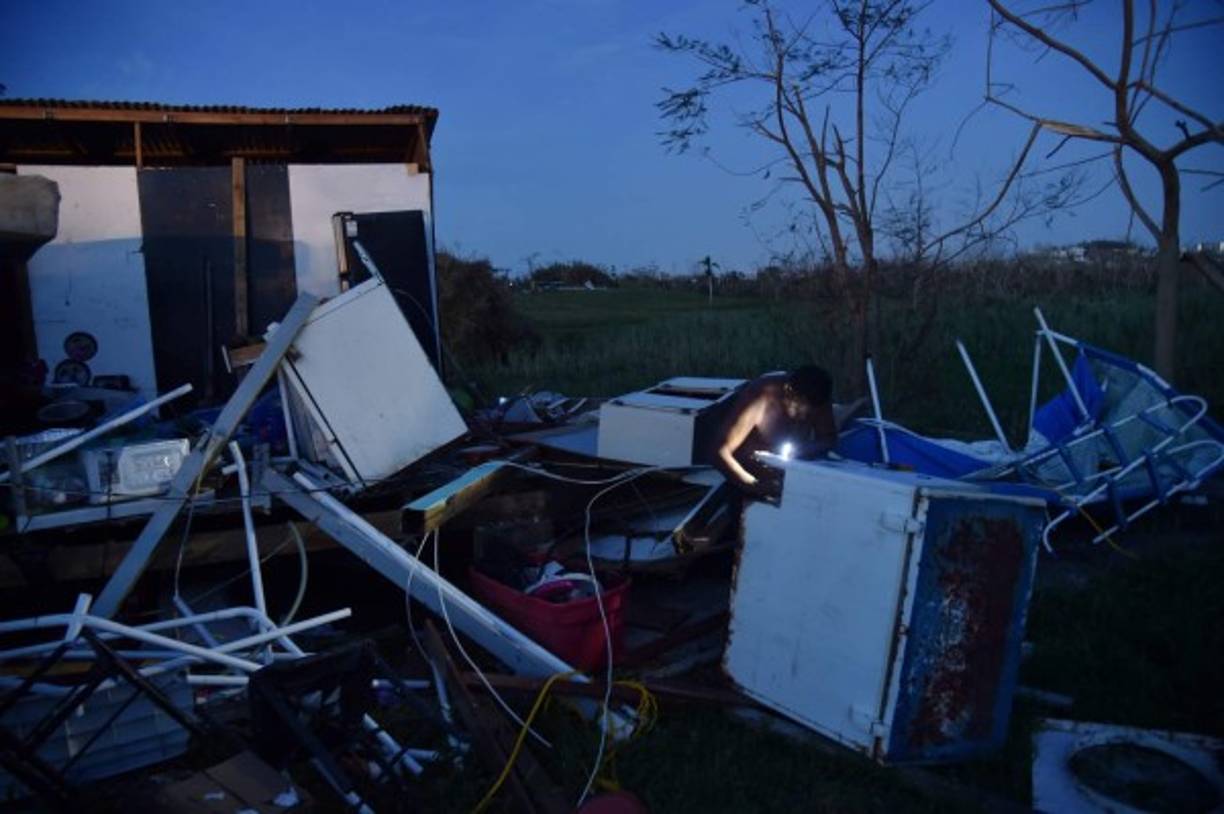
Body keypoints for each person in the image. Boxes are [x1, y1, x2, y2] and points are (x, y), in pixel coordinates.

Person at [713, 365, 837, 496]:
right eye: (800, 408)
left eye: (812, 413)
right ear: (789, 391)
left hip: (792, 482)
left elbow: (829, 439)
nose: (805, 416)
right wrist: (754, 485)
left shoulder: (818, 398)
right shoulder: (761, 395)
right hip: (745, 481)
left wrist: (803, 449)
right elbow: (719, 452)